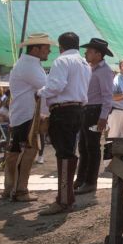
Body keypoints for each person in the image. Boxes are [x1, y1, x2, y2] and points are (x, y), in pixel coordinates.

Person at [36, 32, 92, 216]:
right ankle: (65, 197)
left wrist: (40, 92)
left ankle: (64, 200)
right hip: (78, 110)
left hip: (63, 111)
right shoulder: (85, 63)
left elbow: (56, 86)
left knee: (64, 154)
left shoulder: (62, 61)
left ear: (61, 46)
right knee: (68, 153)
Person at [5, 33, 54, 202]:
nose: (49, 51)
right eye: (46, 48)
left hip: (24, 113)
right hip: (27, 114)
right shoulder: (29, 66)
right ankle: (20, 190)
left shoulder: (28, 63)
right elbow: (47, 87)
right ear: (36, 49)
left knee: (18, 151)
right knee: (26, 151)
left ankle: (10, 187)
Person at [75, 37, 114, 195]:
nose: (86, 53)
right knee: (84, 147)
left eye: (89, 51)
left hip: (95, 111)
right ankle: (82, 179)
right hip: (88, 110)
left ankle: (90, 181)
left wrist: (103, 117)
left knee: (92, 147)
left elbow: (107, 96)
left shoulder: (104, 71)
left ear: (98, 54)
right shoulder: (91, 68)